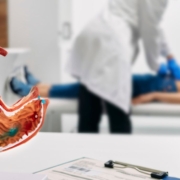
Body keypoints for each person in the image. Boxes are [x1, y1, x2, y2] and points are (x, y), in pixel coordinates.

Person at [65, 0, 177, 133]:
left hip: (93, 32)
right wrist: (156, 66)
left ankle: (85, 151)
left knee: (88, 108)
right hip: (112, 42)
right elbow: (150, 28)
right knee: (118, 116)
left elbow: (153, 25)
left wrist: (169, 56)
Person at [11, 60, 180, 108]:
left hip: (127, 89)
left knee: (77, 89)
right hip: (128, 81)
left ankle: (28, 91)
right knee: (80, 85)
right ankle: (38, 85)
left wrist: (150, 96)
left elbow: (169, 96)